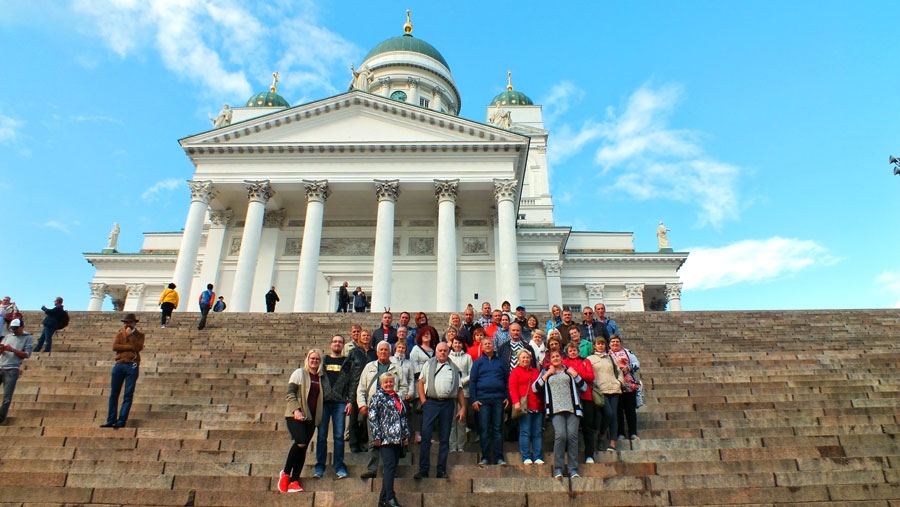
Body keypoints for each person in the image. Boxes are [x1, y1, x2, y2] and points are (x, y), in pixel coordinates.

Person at [414, 342, 465, 479]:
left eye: (445, 350)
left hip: (447, 404)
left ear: (448, 352)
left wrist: (463, 407)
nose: (442, 353)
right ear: (435, 352)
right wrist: (424, 401)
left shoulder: (454, 368)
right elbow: (421, 382)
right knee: (426, 436)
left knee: (444, 437)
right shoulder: (428, 364)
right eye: (440, 350)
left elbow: (459, 389)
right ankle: (423, 469)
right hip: (431, 402)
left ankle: (441, 470)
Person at [534, 349, 587, 479]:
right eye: (553, 357)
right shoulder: (546, 372)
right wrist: (547, 375)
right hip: (555, 409)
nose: (556, 358)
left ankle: (573, 469)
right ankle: (558, 469)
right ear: (550, 359)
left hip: (572, 409)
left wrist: (575, 375)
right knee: (561, 436)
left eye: (558, 356)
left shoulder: (569, 371)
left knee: (573, 437)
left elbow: (584, 387)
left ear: (561, 358)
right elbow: (535, 388)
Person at [358, 341, 407, 479]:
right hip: (374, 410)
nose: (384, 352)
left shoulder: (396, 368)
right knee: (373, 440)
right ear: (377, 352)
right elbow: (361, 388)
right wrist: (362, 404)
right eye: (381, 350)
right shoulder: (369, 367)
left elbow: (404, 386)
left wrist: (397, 399)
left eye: (386, 350)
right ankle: (372, 469)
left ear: (390, 352)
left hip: (392, 411)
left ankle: (390, 469)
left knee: (391, 442)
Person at [278, 349, 324, 493]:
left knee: (303, 449)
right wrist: (296, 410)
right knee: (300, 442)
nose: (314, 361)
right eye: (312, 358)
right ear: (307, 359)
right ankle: (285, 473)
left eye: (317, 359)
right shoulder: (299, 373)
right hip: (295, 415)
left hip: (311, 417)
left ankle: (295, 480)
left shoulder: (321, 377)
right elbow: (290, 393)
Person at [367, 373, 409, 507]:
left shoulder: (397, 397)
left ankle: (382, 500)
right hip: (385, 439)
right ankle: (391, 497)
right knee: (389, 467)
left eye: (391, 382)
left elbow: (403, 417)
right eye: (386, 383)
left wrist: (405, 435)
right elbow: (373, 418)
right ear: (381, 384)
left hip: (397, 439)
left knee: (392, 467)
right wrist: (377, 436)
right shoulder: (377, 397)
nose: (389, 384)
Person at [313, 336, 352, 480]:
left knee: (338, 436)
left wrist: (350, 401)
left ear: (343, 345)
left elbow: (351, 382)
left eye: (340, 342)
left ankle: (339, 465)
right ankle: (320, 465)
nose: (337, 344)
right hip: (323, 402)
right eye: (335, 341)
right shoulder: (322, 360)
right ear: (331, 344)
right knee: (322, 435)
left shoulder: (347, 361)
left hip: (340, 402)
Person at [469, 335, 509, 467]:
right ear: (482, 346)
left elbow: (507, 380)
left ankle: (499, 457)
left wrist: (507, 397)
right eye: (485, 344)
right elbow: (472, 382)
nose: (487, 346)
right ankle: (485, 457)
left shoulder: (501, 362)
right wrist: (474, 399)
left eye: (489, 344)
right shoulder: (478, 363)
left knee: (498, 429)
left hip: (498, 399)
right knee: (484, 429)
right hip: (483, 400)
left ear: (494, 346)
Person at [101, 313, 145, 429]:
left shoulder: (139, 335)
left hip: (132, 365)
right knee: (114, 394)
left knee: (128, 394)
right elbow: (115, 347)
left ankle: (121, 420)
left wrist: (130, 337)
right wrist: (129, 346)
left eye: (129, 323)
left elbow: (138, 347)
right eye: (126, 323)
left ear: (134, 323)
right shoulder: (120, 335)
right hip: (119, 364)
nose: (127, 325)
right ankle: (111, 419)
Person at [562, 341, 597, 463]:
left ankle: (590, 455)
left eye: (574, 350)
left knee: (588, 427)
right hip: (570, 398)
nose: (572, 352)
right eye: (570, 351)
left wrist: (576, 374)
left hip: (586, 396)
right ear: (567, 352)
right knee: (570, 428)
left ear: (578, 351)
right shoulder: (564, 362)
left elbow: (590, 377)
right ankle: (568, 453)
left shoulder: (585, 361)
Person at [588, 338, 623, 453]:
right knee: (608, 413)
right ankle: (602, 434)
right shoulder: (590, 359)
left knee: (614, 416)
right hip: (601, 390)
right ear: (594, 346)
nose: (601, 346)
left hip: (614, 388)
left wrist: (619, 382)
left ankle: (612, 442)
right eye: (598, 344)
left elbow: (619, 371)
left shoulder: (610, 358)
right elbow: (589, 374)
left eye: (603, 344)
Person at [509, 349, 543, 464]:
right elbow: (513, 388)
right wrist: (516, 402)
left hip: (537, 405)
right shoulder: (515, 372)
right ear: (518, 360)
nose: (525, 359)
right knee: (525, 431)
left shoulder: (535, 371)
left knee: (537, 432)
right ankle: (526, 456)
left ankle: (538, 456)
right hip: (524, 406)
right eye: (523, 358)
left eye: (527, 357)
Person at [347, 328, 376, 453]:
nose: (366, 337)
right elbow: (347, 370)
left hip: (369, 388)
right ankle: (354, 442)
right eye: (363, 335)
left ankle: (363, 441)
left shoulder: (374, 353)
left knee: (366, 418)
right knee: (353, 418)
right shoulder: (354, 352)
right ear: (359, 337)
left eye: (368, 335)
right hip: (354, 386)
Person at [0, 318, 33, 424]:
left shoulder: (28, 338)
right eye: (12, 329)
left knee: (7, 397)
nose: (14, 331)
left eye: (16, 329)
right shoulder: (7, 337)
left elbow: (27, 354)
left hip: (12, 369)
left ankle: (1, 418)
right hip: (0, 366)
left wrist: (12, 349)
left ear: (22, 327)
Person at [609, 336, 641, 441]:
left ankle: (633, 432)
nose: (615, 344)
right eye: (613, 342)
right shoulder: (607, 354)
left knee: (630, 410)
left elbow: (637, 364)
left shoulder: (627, 352)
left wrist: (629, 367)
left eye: (617, 342)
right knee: (618, 411)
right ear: (609, 344)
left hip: (628, 385)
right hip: (615, 386)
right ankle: (620, 433)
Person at [408, 326, 435, 443]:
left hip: (432, 383)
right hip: (419, 381)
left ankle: (428, 434)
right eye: (424, 333)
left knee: (429, 411)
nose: (426, 335)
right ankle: (417, 434)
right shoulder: (416, 349)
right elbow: (413, 366)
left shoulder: (434, 350)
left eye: (429, 333)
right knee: (418, 409)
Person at [448, 334, 472, 452]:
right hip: (450, 392)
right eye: (455, 343)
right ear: (452, 344)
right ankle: (452, 446)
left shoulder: (467, 357)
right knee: (451, 420)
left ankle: (461, 446)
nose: (457, 345)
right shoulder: (448, 357)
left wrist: (461, 382)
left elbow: (471, 373)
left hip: (464, 391)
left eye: (459, 343)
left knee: (461, 420)